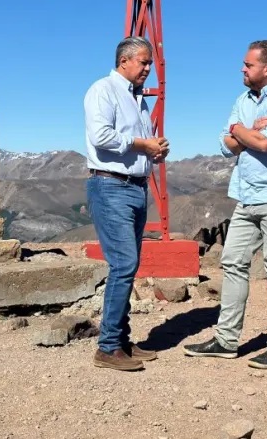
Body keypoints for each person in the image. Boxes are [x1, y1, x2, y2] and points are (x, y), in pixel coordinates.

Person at [184, 39, 267, 369]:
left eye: (248, 64)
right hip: (247, 195)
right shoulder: (244, 99)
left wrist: (240, 129)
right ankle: (226, 340)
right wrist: (244, 131)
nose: (242, 68)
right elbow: (226, 146)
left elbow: (265, 142)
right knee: (232, 261)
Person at [84, 36, 169, 371]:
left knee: (128, 265)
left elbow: (137, 146)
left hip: (135, 186)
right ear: (125, 61)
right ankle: (107, 347)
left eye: (149, 63)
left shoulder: (137, 99)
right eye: (144, 62)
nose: (148, 69)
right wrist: (141, 144)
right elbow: (101, 136)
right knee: (123, 264)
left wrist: (155, 149)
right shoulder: (103, 90)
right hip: (110, 186)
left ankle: (120, 341)